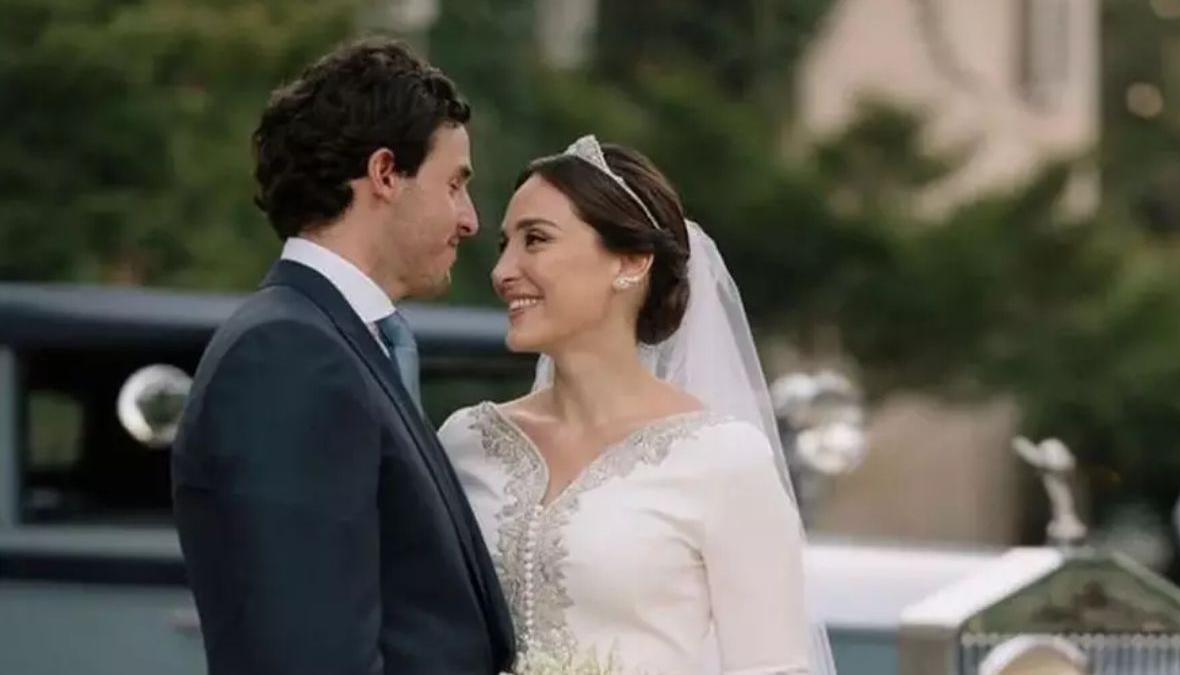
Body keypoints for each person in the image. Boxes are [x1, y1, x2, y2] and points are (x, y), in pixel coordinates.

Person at [172, 37, 514, 675]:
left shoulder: (335, 342)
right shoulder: (288, 357)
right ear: (385, 173)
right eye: (455, 184)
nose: (470, 220)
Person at [439, 135, 835, 674]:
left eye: (535, 240)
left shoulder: (723, 460)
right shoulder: (465, 441)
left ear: (629, 262)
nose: (503, 271)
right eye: (505, 244)